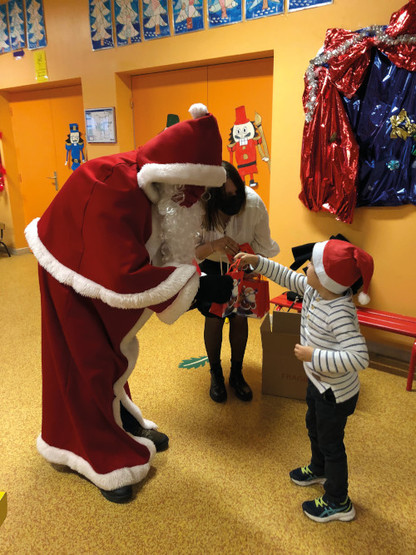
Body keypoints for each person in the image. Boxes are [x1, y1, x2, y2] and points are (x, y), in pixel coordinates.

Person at [24, 103, 233, 504]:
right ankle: (92, 453)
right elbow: (125, 278)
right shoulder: (111, 185)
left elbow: (157, 255)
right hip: (67, 272)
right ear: (173, 174)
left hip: (96, 268)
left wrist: (198, 283)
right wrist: (199, 290)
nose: (194, 200)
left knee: (111, 352)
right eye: (190, 190)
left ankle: (120, 420)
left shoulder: (159, 193)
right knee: (87, 359)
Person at [236, 239, 374, 523]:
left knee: (332, 444)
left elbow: (360, 357)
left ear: (327, 278)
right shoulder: (316, 289)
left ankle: (339, 501)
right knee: (313, 427)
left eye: (313, 265)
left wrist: (315, 355)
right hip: (319, 385)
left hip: (336, 394)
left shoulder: (340, 312)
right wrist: (257, 262)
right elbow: (287, 276)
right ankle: (318, 468)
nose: (307, 267)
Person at [195, 161, 279, 403]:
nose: (233, 198)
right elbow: (189, 253)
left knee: (240, 316)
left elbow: (264, 246)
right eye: (225, 196)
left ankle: (237, 374)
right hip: (210, 264)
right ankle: (216, 374)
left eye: (236, 193)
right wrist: (215, 245)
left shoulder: (254, 204)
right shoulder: (199, 207)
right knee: (214, 317)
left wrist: (254, 265)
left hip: (245, 262)